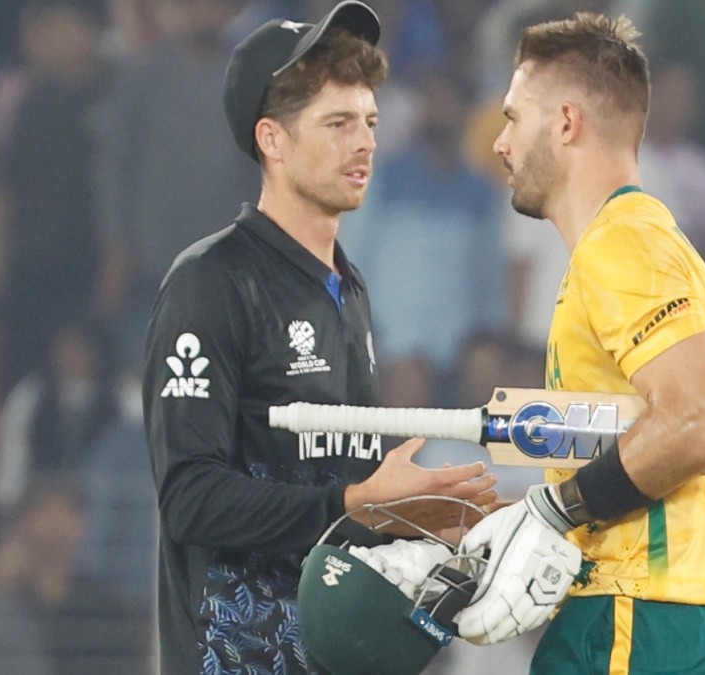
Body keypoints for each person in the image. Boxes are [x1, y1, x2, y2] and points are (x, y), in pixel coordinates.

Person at [142, 3, 498, 674]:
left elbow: (350, 487)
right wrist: (355, 501)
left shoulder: (349, 288)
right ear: (272, 140)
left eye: (370, 122)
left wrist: (429, 520)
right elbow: (190, 498)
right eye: (338, 124)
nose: (364, 143)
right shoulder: (210, 281)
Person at [455, 13, 705, 673]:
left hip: (633, 615)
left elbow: (704, 418)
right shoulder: (631, 241)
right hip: (652, 612)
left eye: (513, 117)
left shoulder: (623, 244)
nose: (500, 142)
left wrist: (552, 511)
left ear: (565, 122)